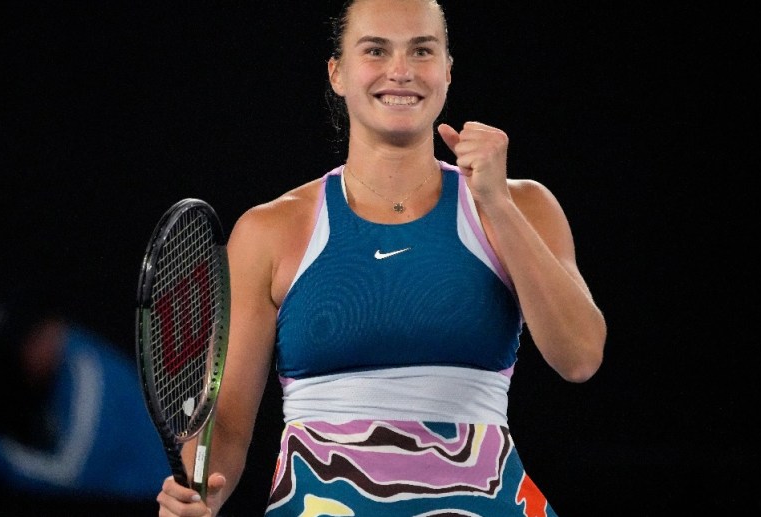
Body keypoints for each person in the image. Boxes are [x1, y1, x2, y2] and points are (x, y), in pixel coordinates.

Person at [157, 0, 606, 515]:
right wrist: (201, 494)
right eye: (375, 50)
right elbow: (228, 422)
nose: (400, 71)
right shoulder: (269, 231)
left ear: (447, 70)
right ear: (338, 73)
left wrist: (497, 205)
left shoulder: (522, 206)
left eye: (422, 51)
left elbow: (580, 357)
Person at [0, 282, 172, 501]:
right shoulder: (49, 378)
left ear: (53, 327)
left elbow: (72, 475)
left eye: (30, 342)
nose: (23, 356)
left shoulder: (87, 371)